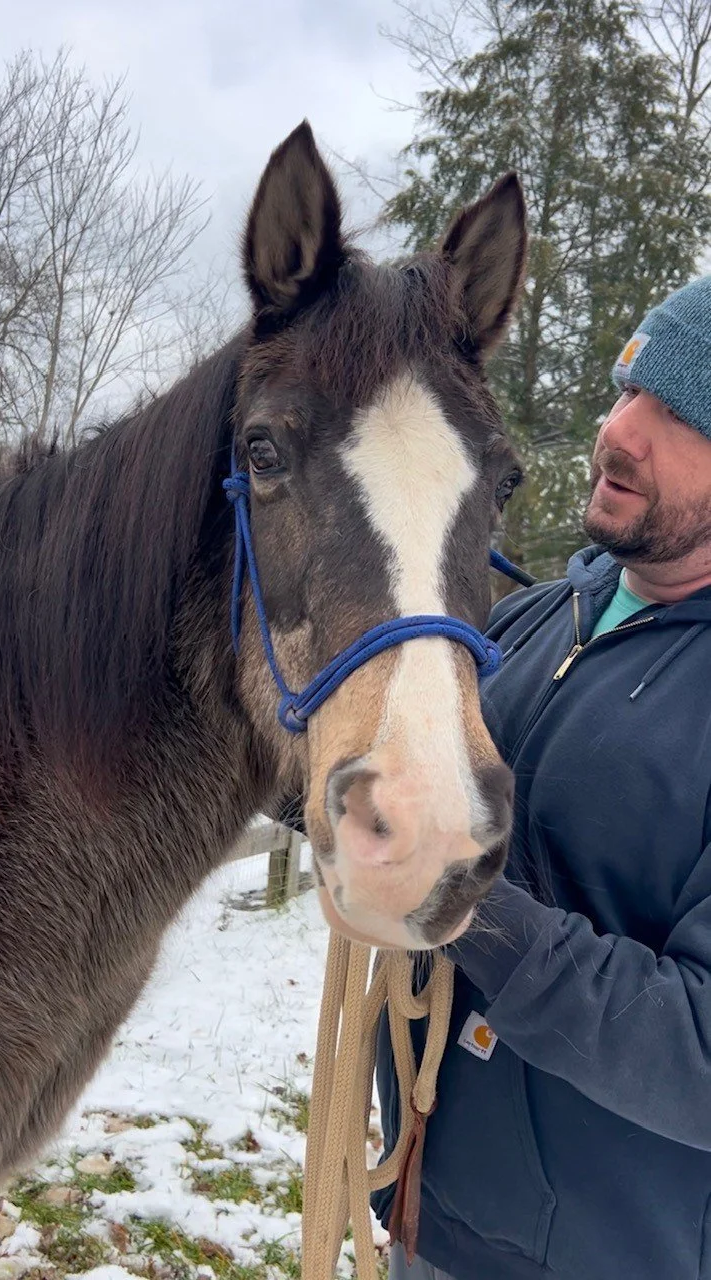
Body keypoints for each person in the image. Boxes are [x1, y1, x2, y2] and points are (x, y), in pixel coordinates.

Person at [319, 276, 711, 1279]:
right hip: (426, 1205)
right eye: (628, 390)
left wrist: (465, 902)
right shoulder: (537, 620)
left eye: (678, 413)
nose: (619, 429)